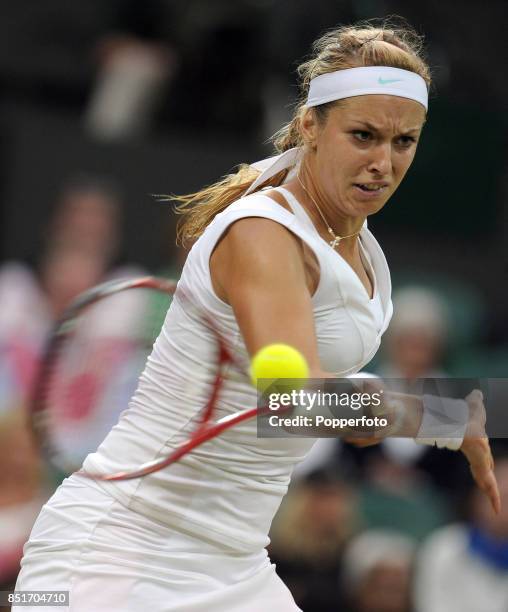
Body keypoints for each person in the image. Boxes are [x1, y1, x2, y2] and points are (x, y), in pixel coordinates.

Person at [14, 22, 499, 612]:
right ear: (310, 126)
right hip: (117, 549)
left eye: (404, 142)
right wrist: (433, 413)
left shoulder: (358, 244)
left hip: (235, 564)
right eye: (363, 135)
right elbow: (295, 401)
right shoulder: (263, 235)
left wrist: (451, 413)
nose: (383, 162)